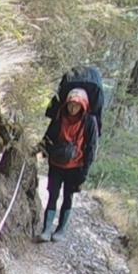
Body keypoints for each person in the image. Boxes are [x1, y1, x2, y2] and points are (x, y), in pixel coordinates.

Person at [40, 87, 100, 242]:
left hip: (75, 166)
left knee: (68, 196)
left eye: (76, 105)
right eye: (70, 104)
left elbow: (91, 147)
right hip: (56, 163)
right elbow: (49, 136)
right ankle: (46, 229)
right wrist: (40, 149)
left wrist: (84, 172)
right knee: (53, 194)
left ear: (83, 105)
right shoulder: (60, 116)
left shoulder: (89, 121)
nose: (73, 108)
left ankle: (60, 230)